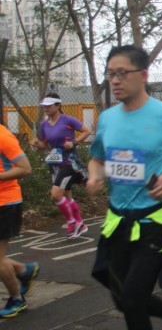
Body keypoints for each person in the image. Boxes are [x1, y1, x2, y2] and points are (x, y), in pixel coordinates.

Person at [87, 45, 162, 330]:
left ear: (143, 75)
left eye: (122, 73)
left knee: (132, 298)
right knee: (122, 298)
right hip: (118, 220)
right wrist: (94, 176)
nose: (115, 80)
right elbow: (97, 159)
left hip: (155, 220)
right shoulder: (107, 118)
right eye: (110, 74)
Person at [31, 93, 91, 238]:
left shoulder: (67, 120)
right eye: (44, 106)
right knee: (66, 196)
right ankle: (81, 224)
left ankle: (71, 222)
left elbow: (86, 131)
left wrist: (74, 142)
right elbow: (44, 145)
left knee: (56, 195)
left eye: (49, 106)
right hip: (55, 163)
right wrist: (37, 143)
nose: (46, 108)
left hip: (70, 162)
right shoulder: (44, 125)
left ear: (58, 105)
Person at [0, 125, 37, 319]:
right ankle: (23, 270)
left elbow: (25, 168)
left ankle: (16, 300)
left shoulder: (3, 137)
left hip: (6, 203)